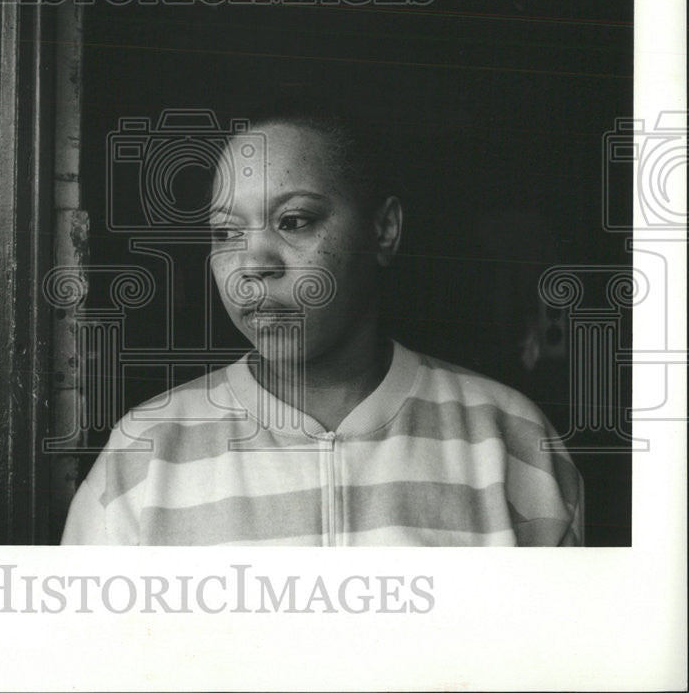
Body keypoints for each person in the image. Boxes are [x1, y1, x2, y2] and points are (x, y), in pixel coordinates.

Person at [61, 105, 583, 546]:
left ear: (383, 230)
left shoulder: (509, 440)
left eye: (294, 221)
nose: (253, 263)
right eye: (225, 233)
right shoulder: (144, 453)